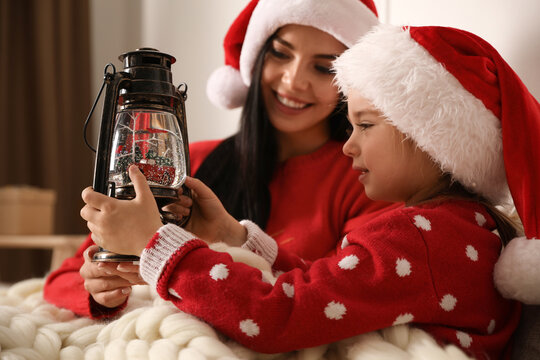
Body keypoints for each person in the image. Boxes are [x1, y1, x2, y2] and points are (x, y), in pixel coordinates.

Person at [79, 24, 540, 359]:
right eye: (281, 53)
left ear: (429, 136)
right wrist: (235, 238)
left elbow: (283, 314)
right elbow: (336, 288)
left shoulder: (423, 235)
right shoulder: (458, 229)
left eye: (364, 125)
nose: (349, 143)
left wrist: (156, 245)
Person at [44, 0, 395, 318]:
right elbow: (66, 277)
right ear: (255, 59)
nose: (293, 80)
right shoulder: (187, 163)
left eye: (322, 68)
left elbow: (347, 293)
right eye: (280, 54)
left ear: (348, 84)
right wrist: (100, 289)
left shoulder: (363, 179)